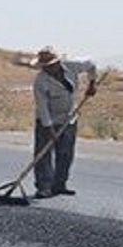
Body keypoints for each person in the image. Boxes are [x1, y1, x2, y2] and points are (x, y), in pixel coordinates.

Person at [30, 46, 97, 199]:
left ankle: (59, 185)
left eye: (50, 65)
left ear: (58, 62)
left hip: (69, 117)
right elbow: (42, 107)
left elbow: (91, 65)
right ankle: (43, 187)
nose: (48, 69)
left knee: (65, 153)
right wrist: (49, 128)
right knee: (43, 154)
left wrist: (92, 83)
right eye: (44, 67)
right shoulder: (40, 81)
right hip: (47, 119)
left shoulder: (73, 66)